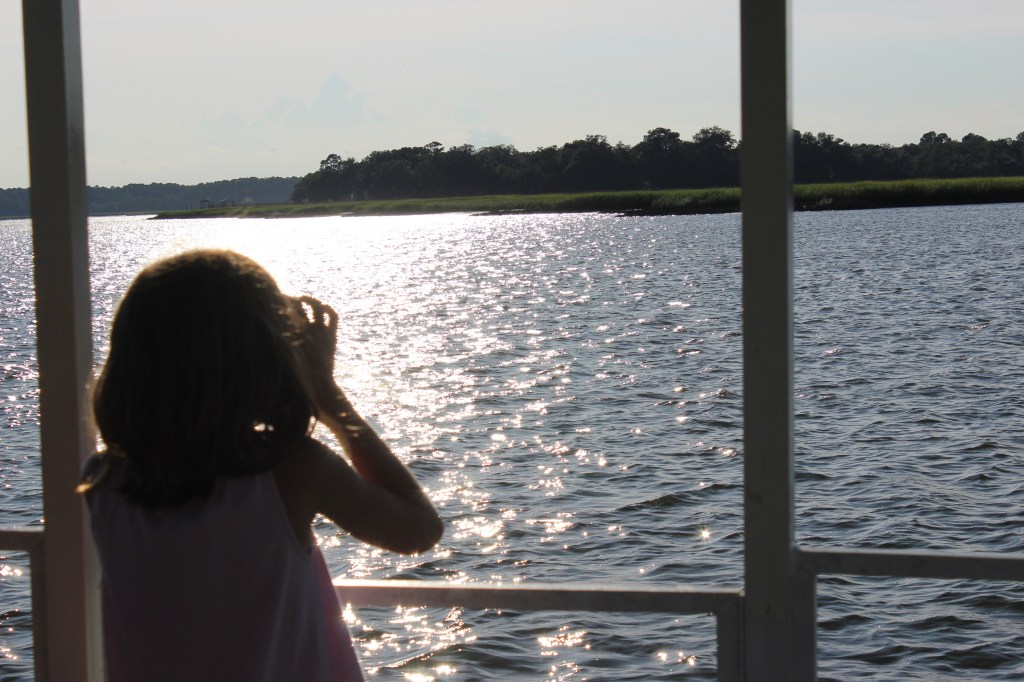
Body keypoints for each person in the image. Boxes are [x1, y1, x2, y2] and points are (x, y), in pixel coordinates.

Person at [79, 249, 443, 682]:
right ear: (264, 358)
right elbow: (419, 531)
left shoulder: (102, 480)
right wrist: (328, 396)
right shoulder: (293, 470)